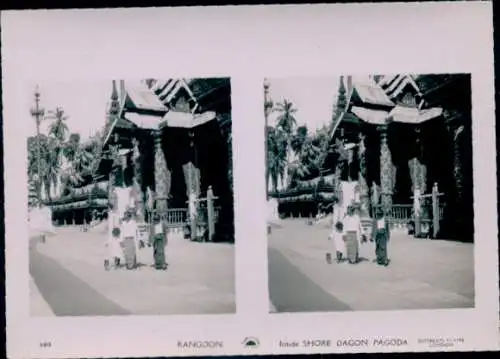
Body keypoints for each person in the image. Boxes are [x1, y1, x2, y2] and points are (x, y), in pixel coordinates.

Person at [106, 202, 123, 270]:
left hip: (115, 233)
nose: (108, 209)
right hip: (110, 234)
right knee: (112, 248)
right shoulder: (110, 214)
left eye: (108, 207)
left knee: (117, 248)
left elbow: (116, 224)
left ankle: (117, 262)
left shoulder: (114, 214)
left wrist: (115, 232)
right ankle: (115, 261)